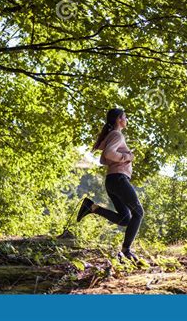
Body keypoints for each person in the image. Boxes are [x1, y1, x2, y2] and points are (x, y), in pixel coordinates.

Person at [76, 108, 144, 262]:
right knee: (138, 213)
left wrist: (121, 158)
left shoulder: (110, 136)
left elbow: (103, 159)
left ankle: (92, 207)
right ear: (119, 119)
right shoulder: (117, 134)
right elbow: (108, 155)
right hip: (119, 179)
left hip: (112, 181)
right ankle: (126, 251)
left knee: (125, 219)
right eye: (125, 117)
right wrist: (127, 157)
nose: (127, 120)